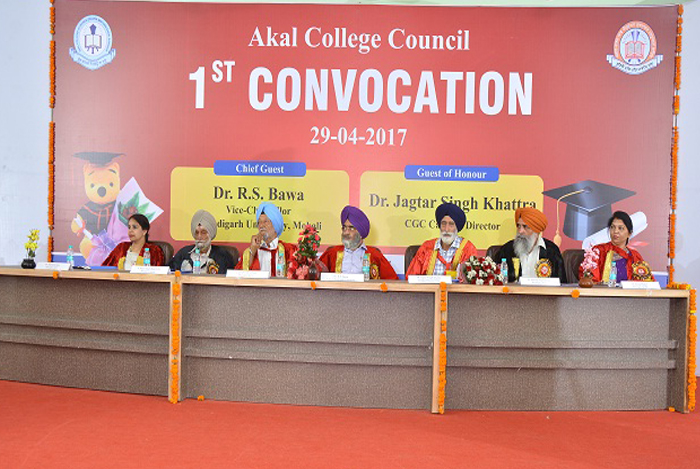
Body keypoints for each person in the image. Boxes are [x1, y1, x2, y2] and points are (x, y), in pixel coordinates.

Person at [319, 206, 398, 280]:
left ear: (360, 233)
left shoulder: (374, 255)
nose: (346, 232)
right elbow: (316, 276)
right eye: (344, 228)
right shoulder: (332, 253)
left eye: (351, 228)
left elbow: (393, 282)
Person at [405, 202, 477, 277]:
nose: (446, 229)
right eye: (443, 224)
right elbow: (411, 277)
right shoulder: (427, 247)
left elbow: (470, 280)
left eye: (451, 224)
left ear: (457, 227)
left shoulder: (468, 249)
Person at [496, 207, 566, 283]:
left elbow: (561, 283)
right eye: (518, 226)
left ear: (537, 230)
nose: (520, 231)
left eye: (525, 227)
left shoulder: (552, 251)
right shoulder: (507, 250)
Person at [581, 210, 652, 283]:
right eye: (612, 227)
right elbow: (589, 279)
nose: (615, 231)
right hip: (604, 290)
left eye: (620, 228)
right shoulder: (598, 251)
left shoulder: (635, 256)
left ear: (629, 233)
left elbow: (646, 281)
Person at [235, 202, 297, 276]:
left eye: (265, 221)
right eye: (259, 222)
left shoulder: (289, 250)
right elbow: (239, 277)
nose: (261, 225)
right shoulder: (251, 252)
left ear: (275, 225)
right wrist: (252, 252)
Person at [169, 210, 235, 274]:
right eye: (197, 233)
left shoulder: (223, 256)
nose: (199, 237)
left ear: (210, 234)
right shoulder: (183, 254)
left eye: (203, 232)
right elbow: (168, 273)